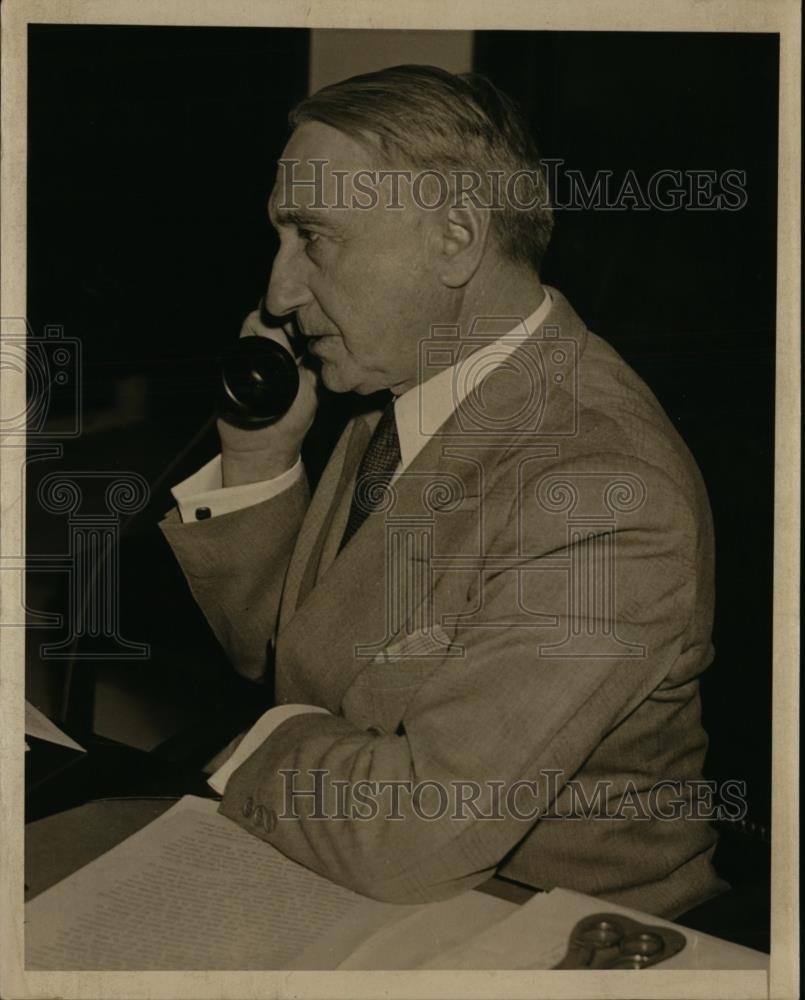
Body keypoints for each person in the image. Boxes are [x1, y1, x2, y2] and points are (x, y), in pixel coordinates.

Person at [160, 65, 727, 917]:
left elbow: (414, 829)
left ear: (455, 235)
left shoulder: (604, 491)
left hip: (543, 923)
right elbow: (298, 658)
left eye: (313, 237)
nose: (278, 293)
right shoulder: (405, 392)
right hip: (367, 877)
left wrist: (256, 742)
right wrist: (261, 458)